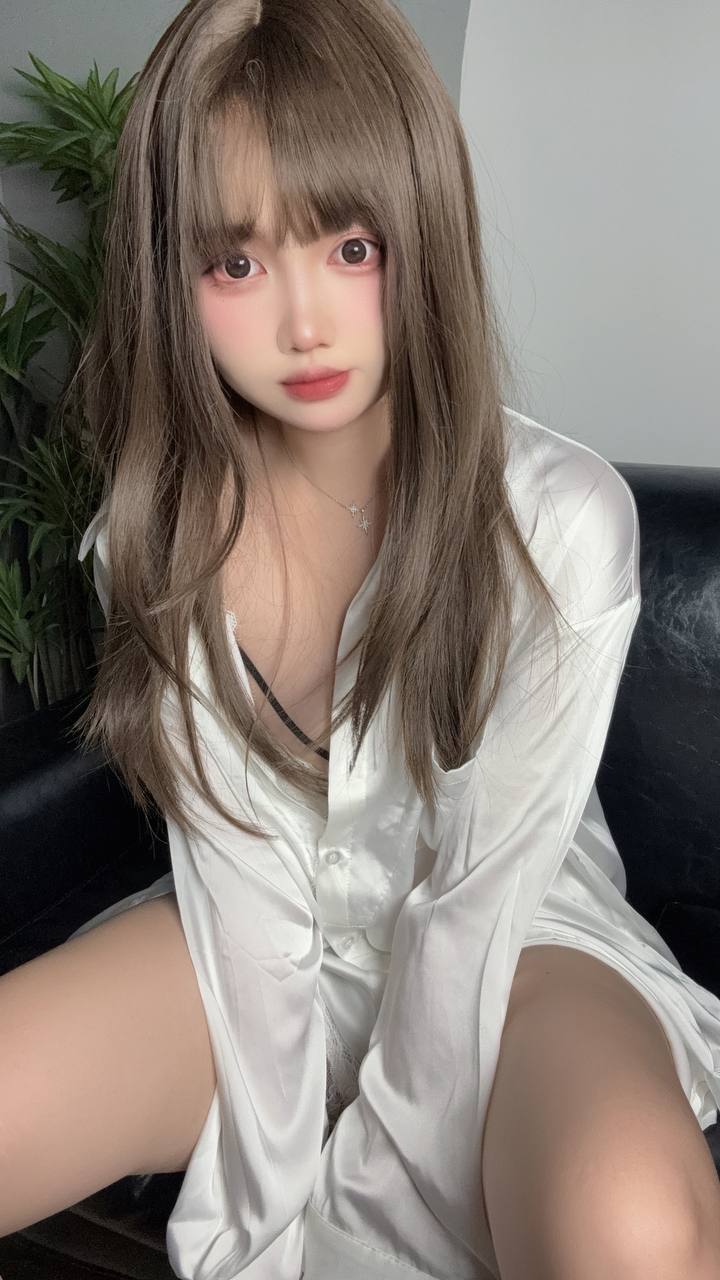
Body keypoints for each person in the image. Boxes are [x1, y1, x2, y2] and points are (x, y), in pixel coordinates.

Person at [2, 1, 720, 1277]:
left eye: (350, 245)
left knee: (635, 1226)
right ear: (170, 276)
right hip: (252, 931)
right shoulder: (149, 538)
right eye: (234, 264)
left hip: (517, 940)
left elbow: (471, 913)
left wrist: (346, 1238)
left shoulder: (559, 528)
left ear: (421, 229)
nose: (305, 324)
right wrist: (272, 1201)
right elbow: (239, 877)